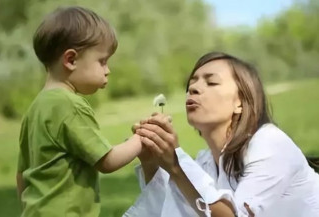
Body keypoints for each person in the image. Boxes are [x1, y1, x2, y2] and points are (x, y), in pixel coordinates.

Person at [124, 52, 319, 217]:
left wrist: (176, 165)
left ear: (240, 102)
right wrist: (151, 163)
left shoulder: (270, 144)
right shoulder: (206, 161)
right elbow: (171, 211)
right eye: (191, 84)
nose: (193, 88)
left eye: (211, 82)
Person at [16, 6, 142, 217]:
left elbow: (21, 175)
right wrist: (140, 139)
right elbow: (107, 161)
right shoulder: (70, 105)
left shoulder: (35, 108)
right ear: (71, 60)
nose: (107, 70)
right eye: (102, 61)